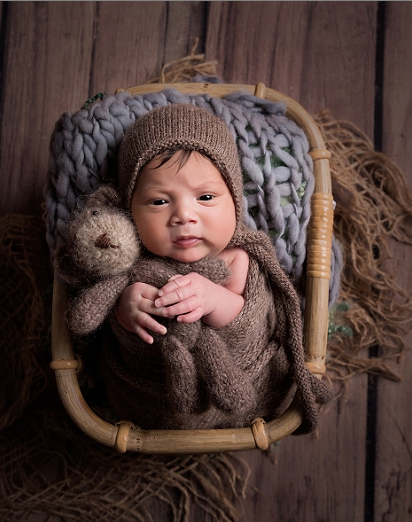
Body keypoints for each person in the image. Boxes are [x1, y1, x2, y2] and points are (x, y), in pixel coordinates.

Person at [101, 103, 331, 432]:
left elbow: (249, 322)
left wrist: (213, 299)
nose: (184, 216)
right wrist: (128, 308)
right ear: (129, 211)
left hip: (245, 383)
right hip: (153, 399)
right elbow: (115, 324)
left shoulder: (238, 258)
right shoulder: (132, 262)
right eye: (159, 201)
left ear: (235, 202)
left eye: (205, 197)